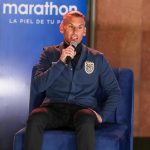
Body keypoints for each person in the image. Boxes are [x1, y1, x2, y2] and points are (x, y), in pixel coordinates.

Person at [24, 10, 121, 150]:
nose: (75, 31)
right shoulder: (49, 53)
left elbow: (114, 91)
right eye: (70, 26)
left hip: (82, 110)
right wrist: (60, 62)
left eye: (79, 27)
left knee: (85, 117)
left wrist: (102, 116)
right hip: (53, 109)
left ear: (85, 31)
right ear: (62, 27)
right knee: (35, 117)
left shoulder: (97, 58)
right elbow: (37, 86)